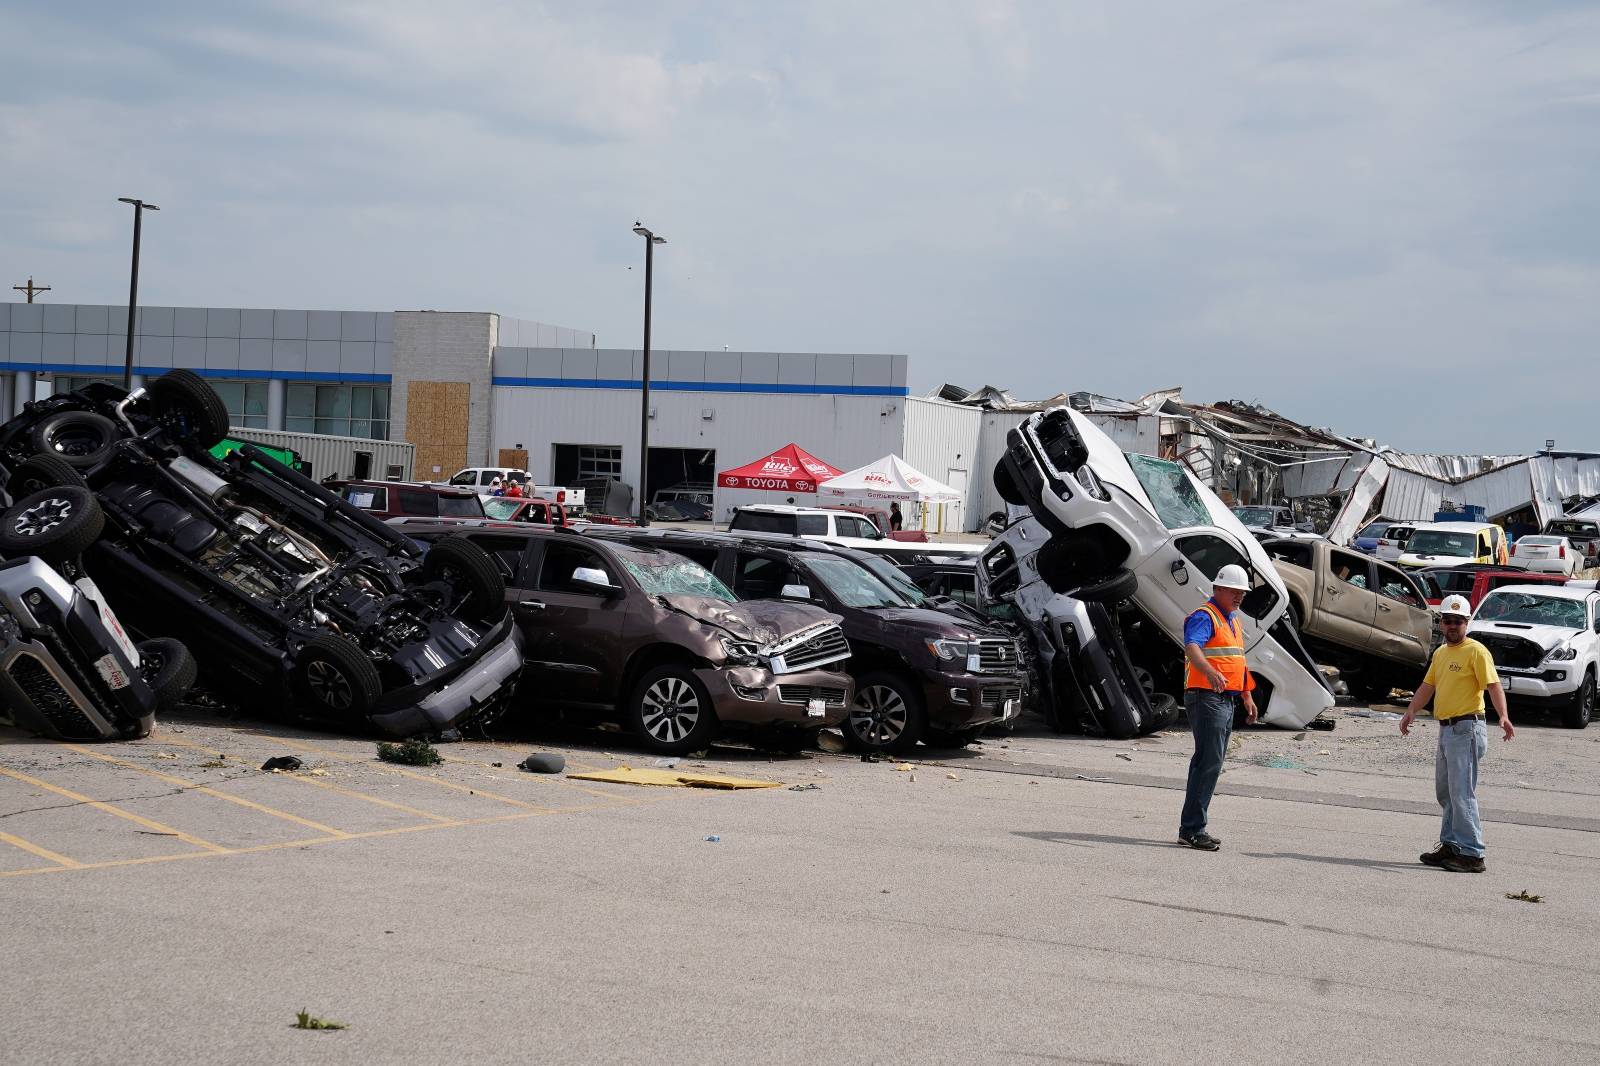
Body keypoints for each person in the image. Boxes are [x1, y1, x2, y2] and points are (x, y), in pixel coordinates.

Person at [1400, 593, 1513, 873]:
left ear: (1467, 623)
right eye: (1447, 621)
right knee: (1446, 793)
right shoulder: (1441, 653)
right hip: (1447, 730)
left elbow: (1493, 686)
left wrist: (1503, 716)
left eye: (1457, 621)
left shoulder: (1476, 651)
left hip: (1467, 728)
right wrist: (1411, 710)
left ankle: (1473, 854)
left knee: (1462, 793)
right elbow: (1428, 686)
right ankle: (1451, 845)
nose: (1451, 626)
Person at [1177, 564, 1257, 851]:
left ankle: (1193, 827)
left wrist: (1247, 694)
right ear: (1218, 589)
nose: (1239, 597)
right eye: (1234, 591)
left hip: (1224, 698)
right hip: (1206, 696)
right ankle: (1192, 829)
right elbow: (1192, 648)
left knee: (1212, 762)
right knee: (1208, 762)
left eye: (1242, 593)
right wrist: (1209, 672)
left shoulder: (1232, 620)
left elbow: (1237, 661)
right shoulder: (1204, 616)